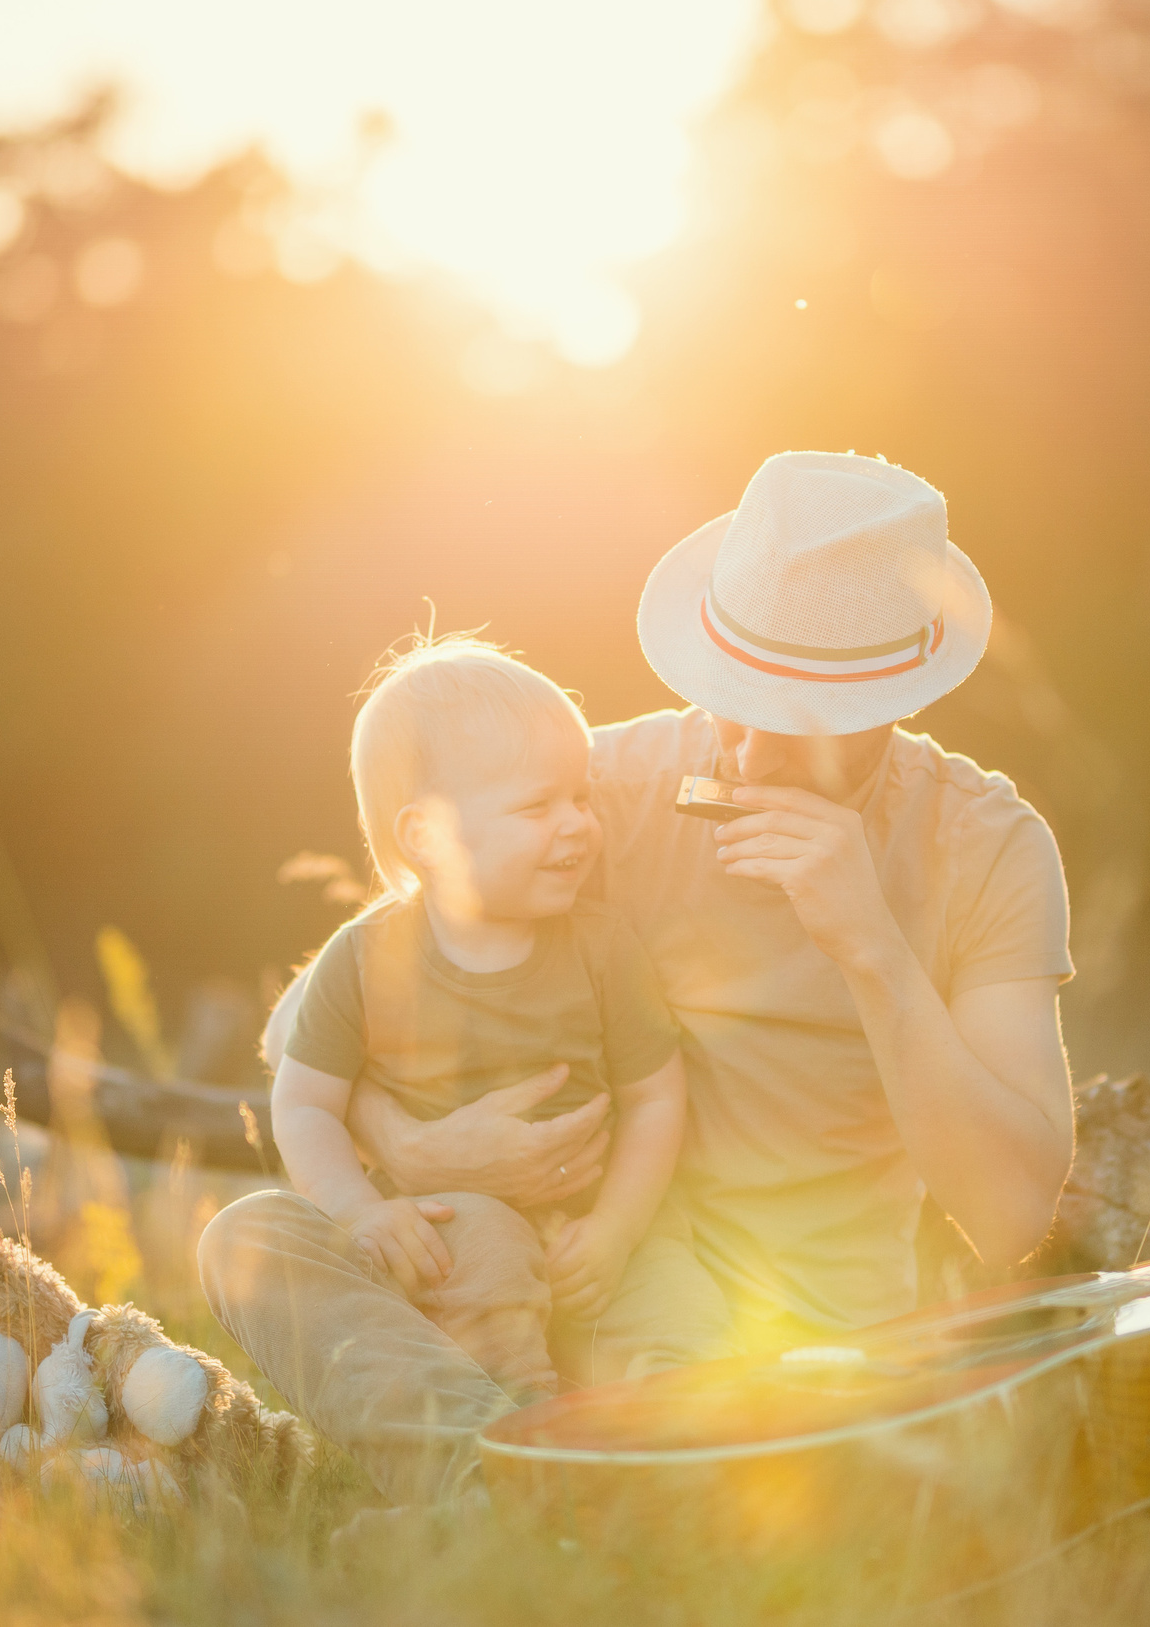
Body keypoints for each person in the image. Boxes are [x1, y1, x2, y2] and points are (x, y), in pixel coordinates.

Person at [202, 450, 1076, 1508]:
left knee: (766, 1433)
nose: (745, 758)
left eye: (792, 726)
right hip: (536, 1271)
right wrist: (414, 1146)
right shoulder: (607, 786)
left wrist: (872, 949)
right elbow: (318, 1015)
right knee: (253, 1241)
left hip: (784, 1328)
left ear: (887, 702)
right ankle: (495, 1477)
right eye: (729, 702)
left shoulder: (986, 847)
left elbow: (1013, 1211)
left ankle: (598, 1478)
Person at [268, 638, 730, 1401]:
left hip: (601, 1231)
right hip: (459, 1227)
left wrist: (616, 1229)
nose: (577, 824)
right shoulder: (364, 958)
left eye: (581, 798)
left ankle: (674, 1425)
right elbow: (304, 1101)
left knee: (684, 1317)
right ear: (428, 837)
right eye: (537, 806)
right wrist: (361, 1211)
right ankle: (522, 1421)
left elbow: (655, 1096)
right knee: (481, 1259)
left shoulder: (603, 946)